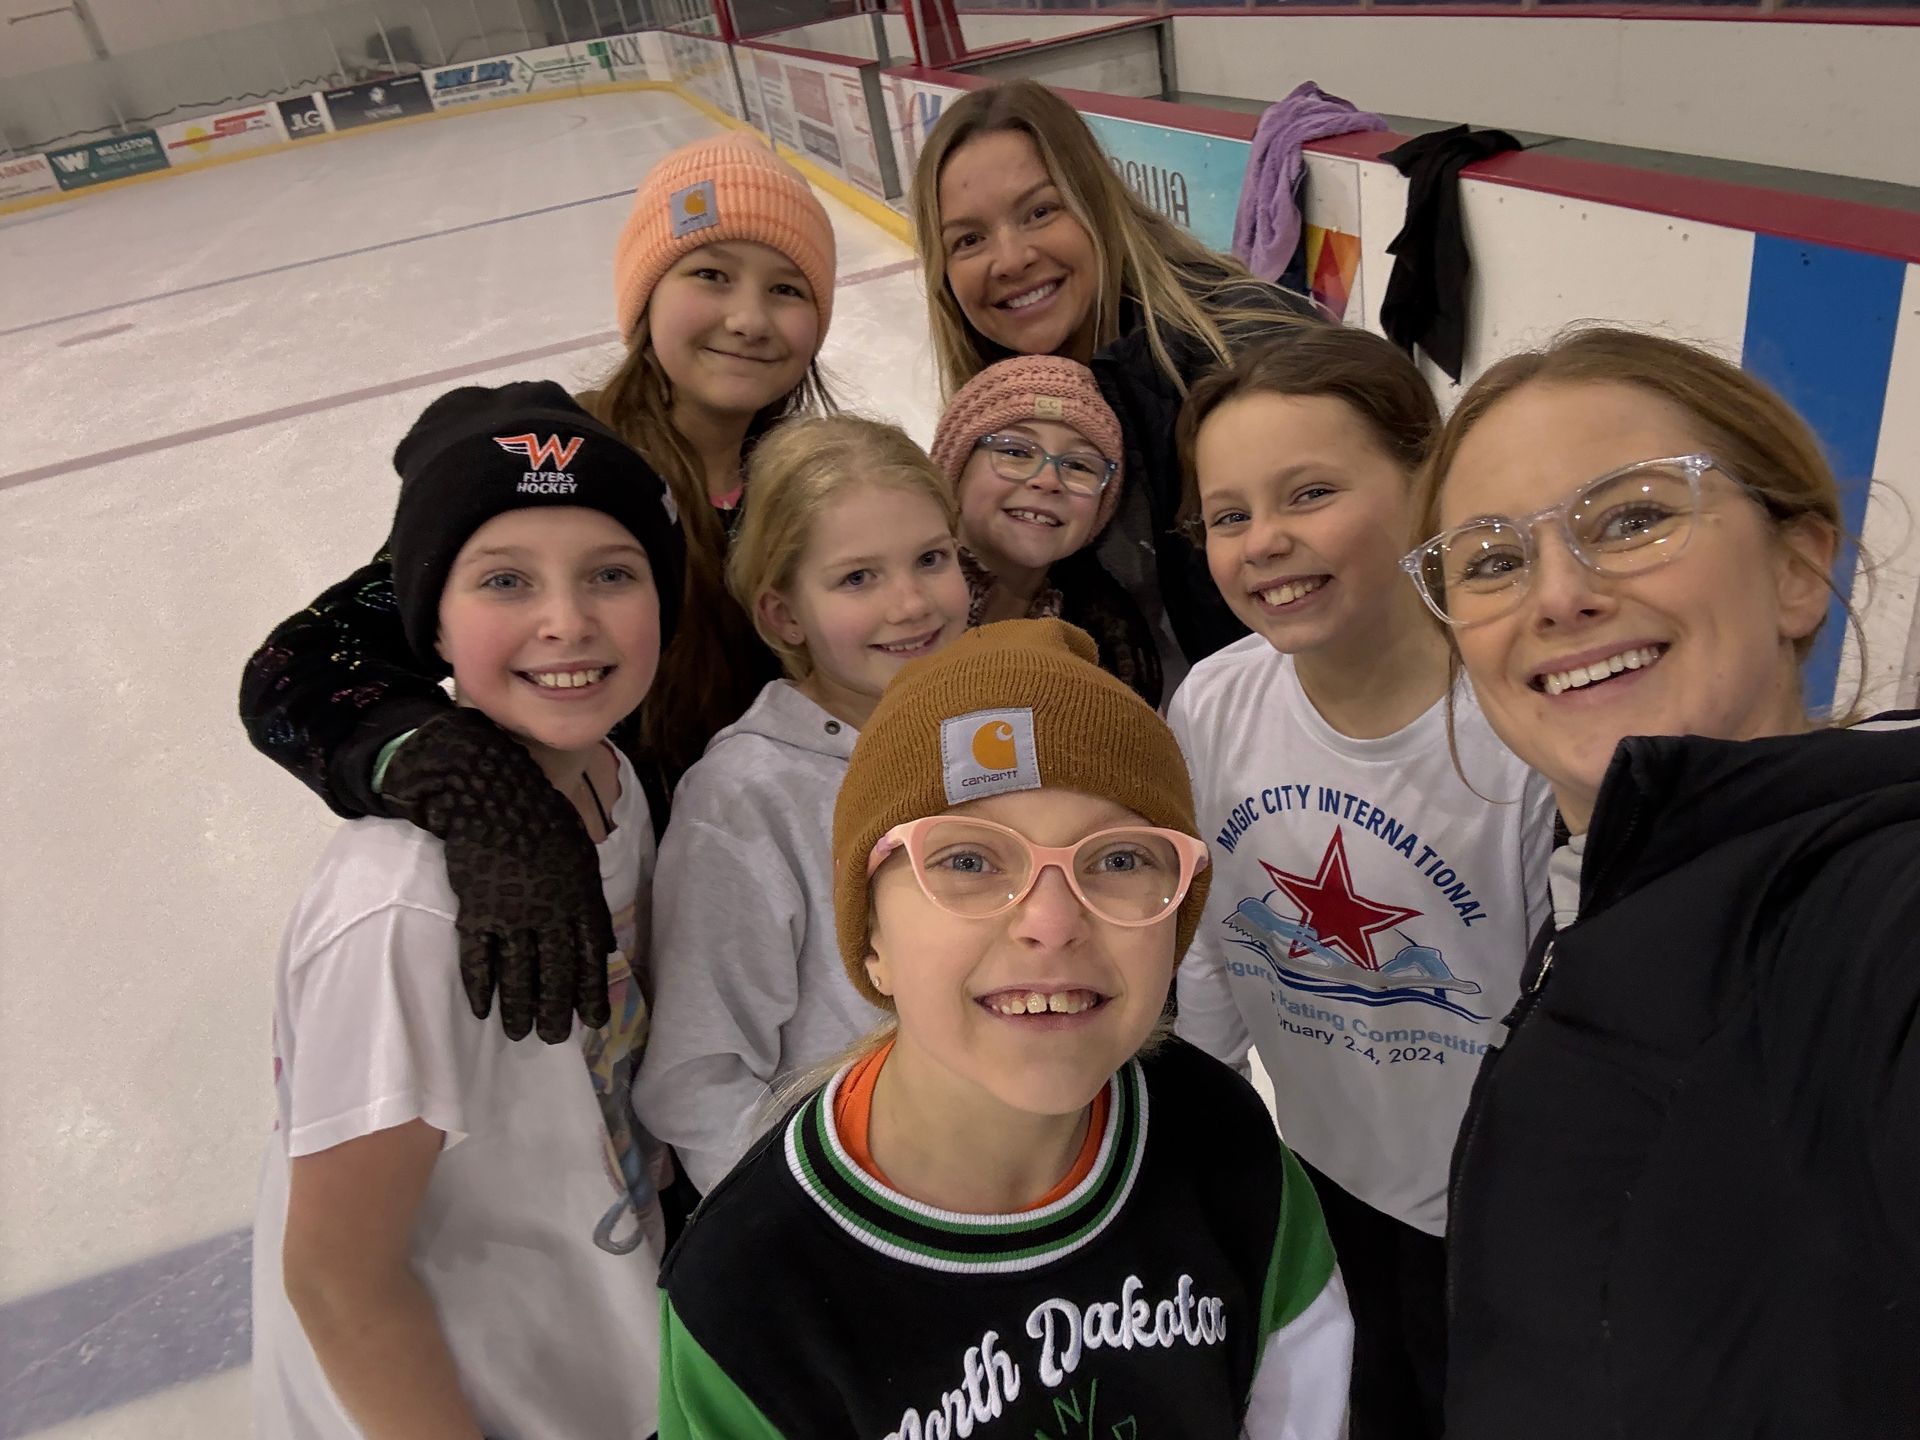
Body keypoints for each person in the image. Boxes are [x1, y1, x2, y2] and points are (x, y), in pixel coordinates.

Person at [1403, 326, 1920, 1437]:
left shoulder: (1873, 902)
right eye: (1491, 560)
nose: (1559, 595)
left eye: (1632, 519)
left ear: (1797, 570)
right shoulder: (1606, 883)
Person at [657, 619, 1355, 1438]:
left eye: (1120, 859)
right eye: (968, 861)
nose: (1051, 923)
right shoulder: (748, 1290)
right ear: (870, 935)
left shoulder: (1225, 1144)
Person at [238, 132, 838, 1046]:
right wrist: (480, 792)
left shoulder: (819, 482)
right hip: (610, 923)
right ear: (645, 296)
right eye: (711, 275)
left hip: (769, 914)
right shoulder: (553, 470)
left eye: (787, 289)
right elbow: (302, 666)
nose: (750, 318)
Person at [251, 381, 684, 1440]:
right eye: (504, 580)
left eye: (612, 574)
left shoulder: (619, 785)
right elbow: (338, 1280)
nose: (566, 621)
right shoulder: (401, 907)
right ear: (431, 628)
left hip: (603, 1363)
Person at [1168, 326, 1552, 1438]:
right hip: (1319, 1182)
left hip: (1499, 1222)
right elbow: (1210, 940)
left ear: (1427, 483)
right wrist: (1209, 1130)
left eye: (1312, 493)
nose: (1265, 541)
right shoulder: (1216, 703)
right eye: (1228, 516)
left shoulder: (1518, 730)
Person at [634, 415, 970, 1192]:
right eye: (858, 578)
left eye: (931, 559)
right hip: (863, 1215)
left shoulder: (993, 736)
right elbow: (698, 1081)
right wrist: (825, 1224)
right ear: (783, 614)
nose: (911, 603)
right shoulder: (745, 798)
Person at [910, 78, 1323, 694]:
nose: (1011, 258)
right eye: (969, 240)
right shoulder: (1002, 414)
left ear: (1097, 203)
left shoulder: (1243, 358)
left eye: (1040, 211)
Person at [927, 354, 1161, 702]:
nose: (1049, 480)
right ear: (955, 472)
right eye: (1016, 452)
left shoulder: (1108, 655)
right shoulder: (889, 604)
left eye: (1079, 465)